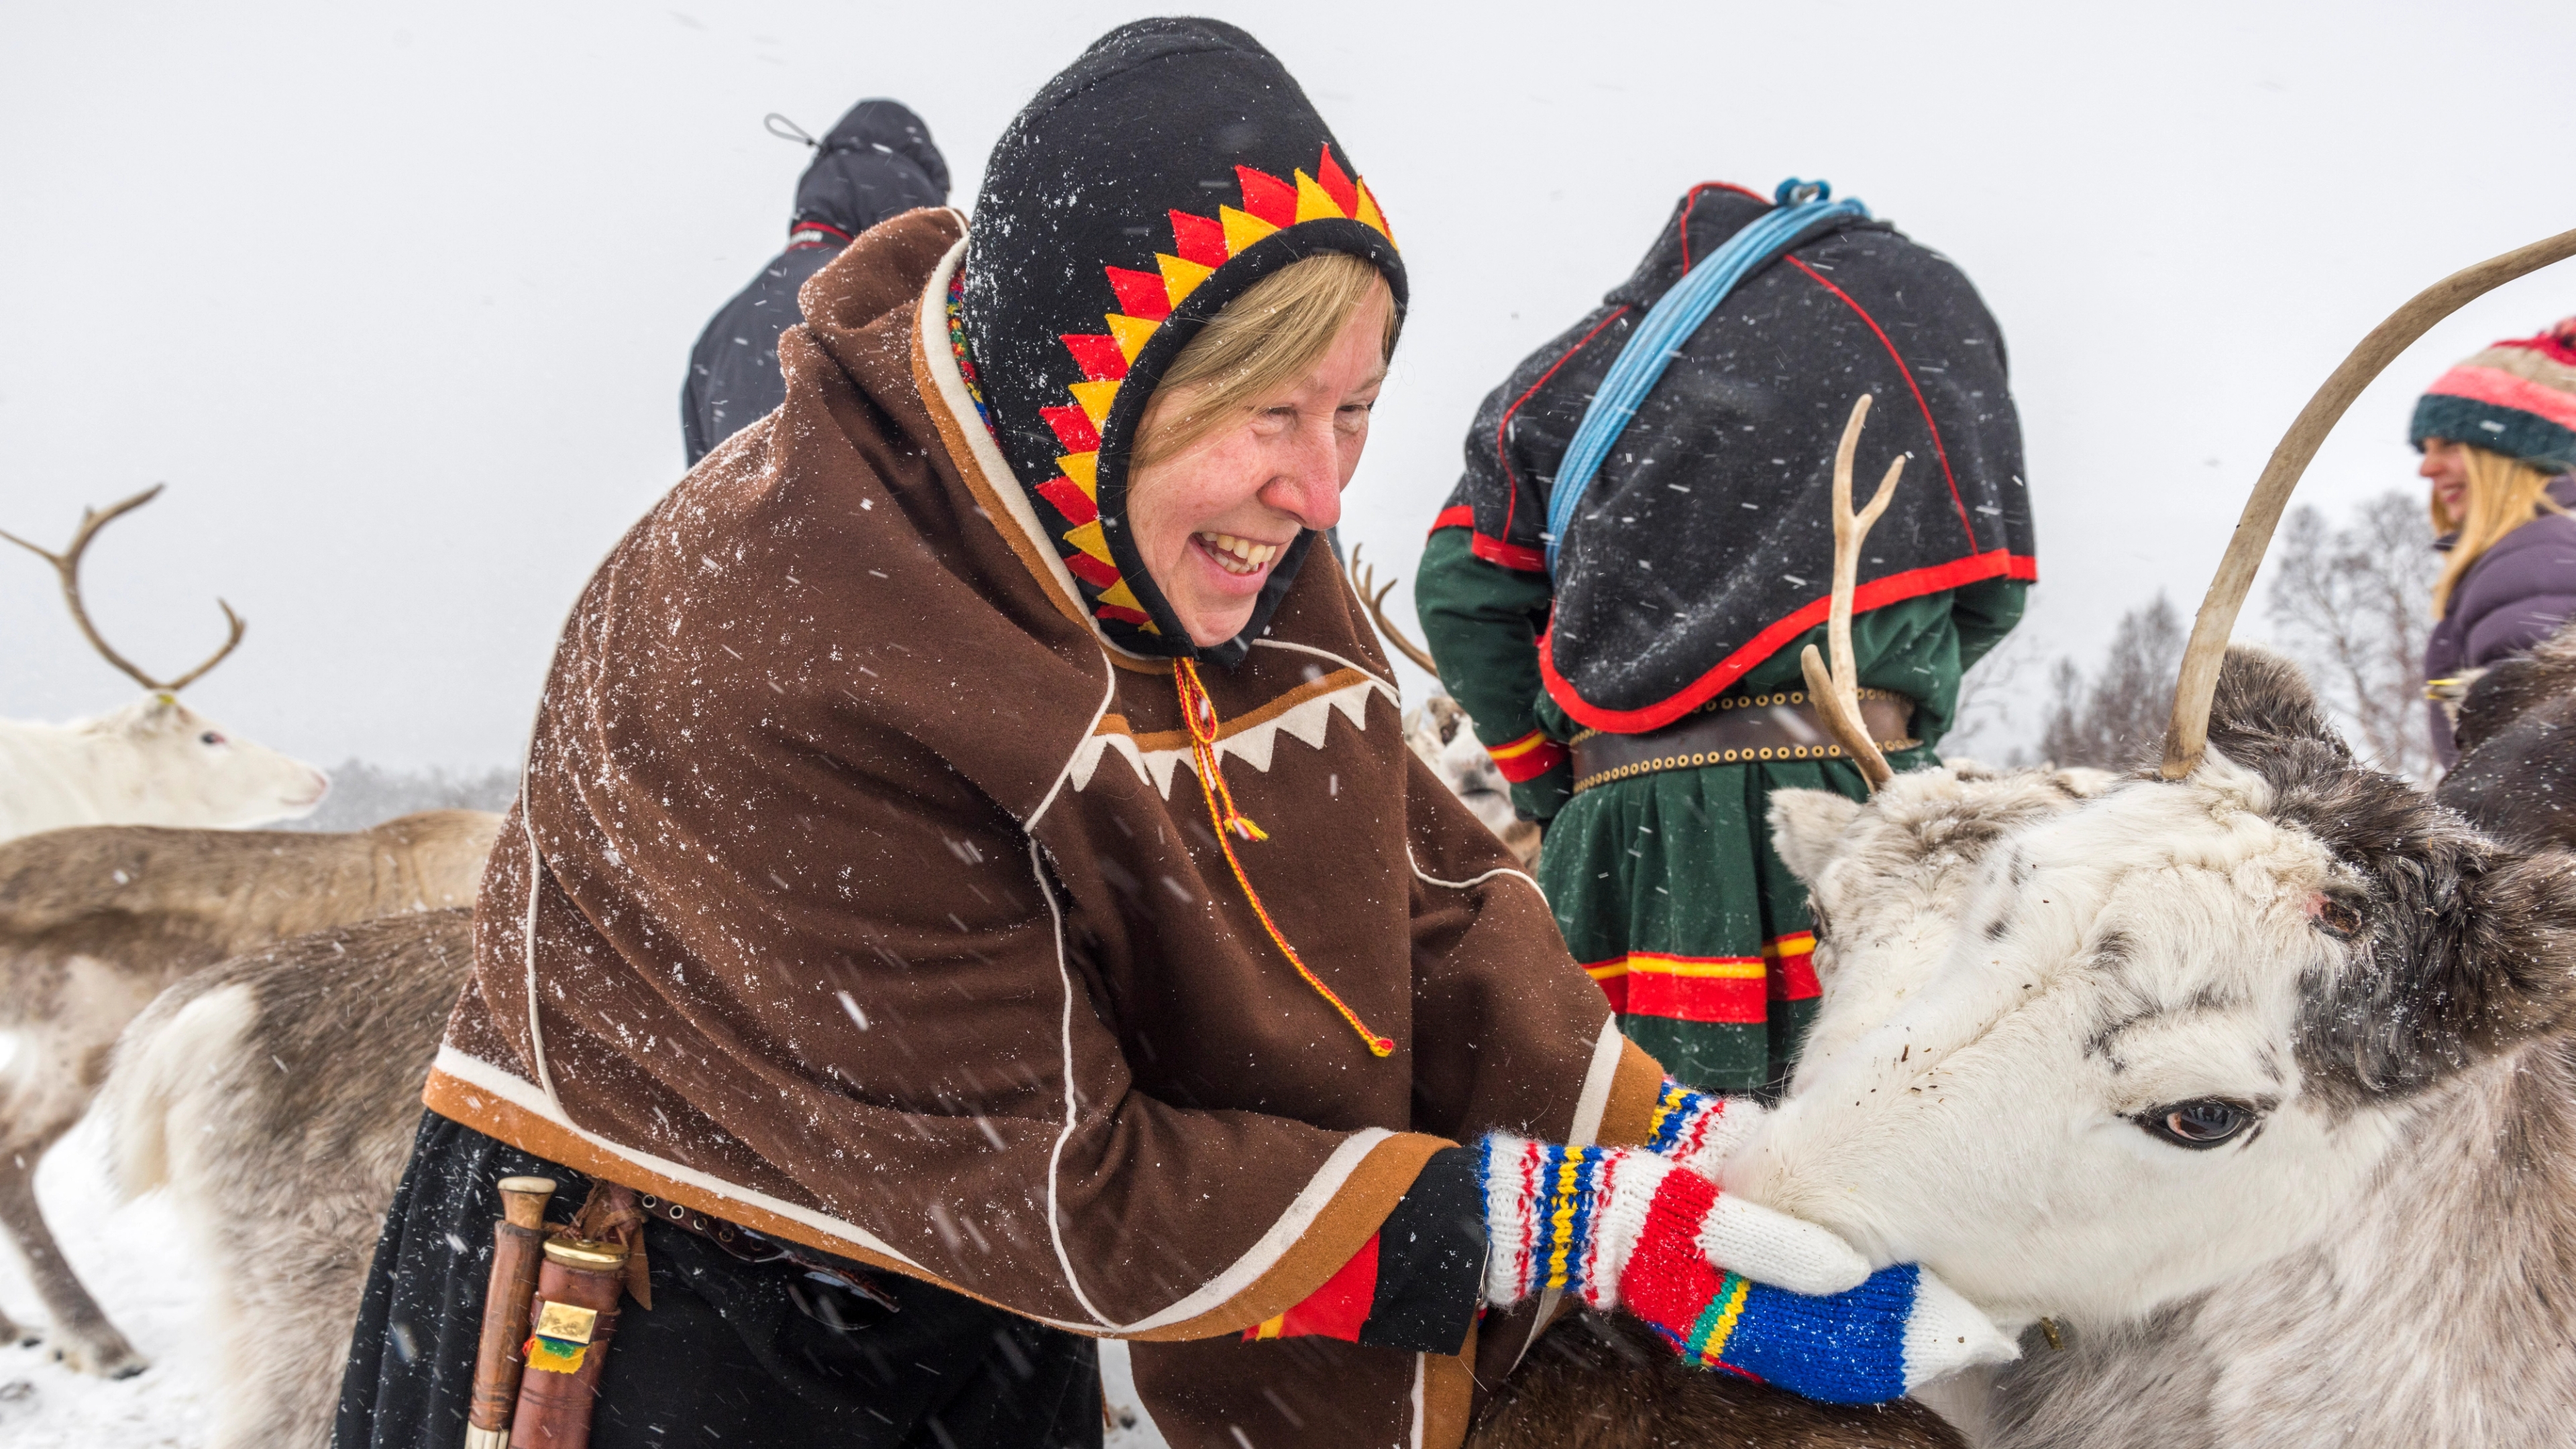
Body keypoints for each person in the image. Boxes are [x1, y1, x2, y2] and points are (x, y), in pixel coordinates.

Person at [333, 24, 2004, 1449]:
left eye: (1353, 410)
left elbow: (1417, 899)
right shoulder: (776, 633)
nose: (1324, 485)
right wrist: (1564, 1226)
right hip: (676, 1306)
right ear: (1086, 391)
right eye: (1270, 413)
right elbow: (1068, 1190)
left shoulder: (1191, 532)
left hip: (992, 1299)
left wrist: (1678, 1141)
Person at [1415, 182, 2032, 1097]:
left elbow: (1460, 590)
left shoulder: (1572, 370)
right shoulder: (1920, 309)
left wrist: (1550, 785)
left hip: (1621, 837)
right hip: (1864, 808)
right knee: (1889, 1130)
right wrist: (1882, 712)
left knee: (1630, 1160)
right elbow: (1993, 587)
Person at [680, 98, 948, 465]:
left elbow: (699, 498)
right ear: (907, 201)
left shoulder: (719, 333)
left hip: (745, 522)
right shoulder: (891, 302)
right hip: (864, 522)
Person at [2416, 317, 2576, 769]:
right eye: (2425, 449)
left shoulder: (2537, 559)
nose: (2427, 469)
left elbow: (2534, 768)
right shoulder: (2529, 553)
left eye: (2449, 445)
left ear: (2514, 454)